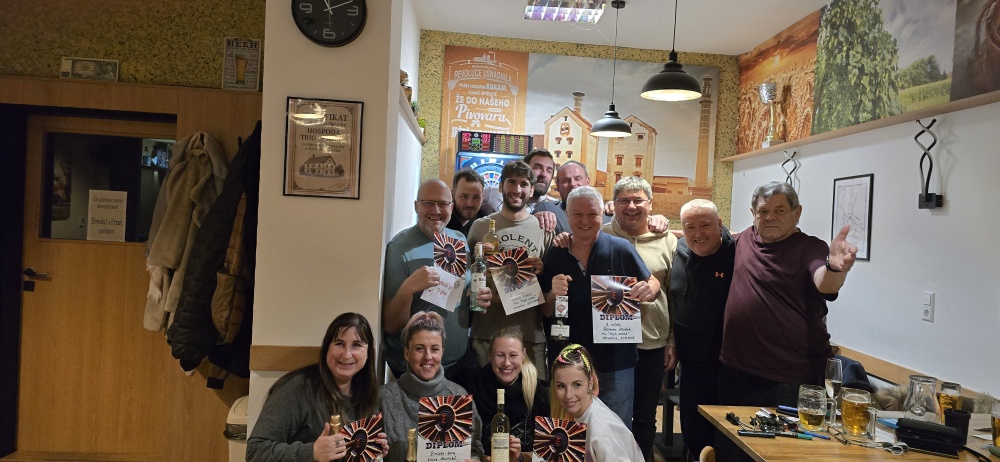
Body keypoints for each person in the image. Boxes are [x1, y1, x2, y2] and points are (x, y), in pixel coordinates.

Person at [719, 181, 857, 407]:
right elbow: (704, 235)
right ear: (753, 214)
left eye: (780, 210)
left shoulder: (810, 248)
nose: (770, 217)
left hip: (789, 377)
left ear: (797, 212)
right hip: (736, 370)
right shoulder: (743, 239)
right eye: (763, 211)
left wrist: (834, 268)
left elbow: (825, 284)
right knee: (727, 431)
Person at [539, 186, 658, 427]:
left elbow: (652, 281)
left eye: (592, 214)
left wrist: (649, 290)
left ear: (602, 214)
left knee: (615, 430)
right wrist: (552, 293)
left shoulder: (621, 248)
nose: (585, 221)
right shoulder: (555, 254)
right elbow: (545, 311)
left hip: (616, 362)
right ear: (567, 215)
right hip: (569, 363)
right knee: (570, 434)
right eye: (577, 214)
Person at [381, 179, 492, 387]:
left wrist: (480, 296)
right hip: (418, 368)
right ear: (416, 206)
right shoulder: (399, 248)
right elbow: (391, 324)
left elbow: (463, 295)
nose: (436, 210)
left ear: (451, 207)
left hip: (459, 361)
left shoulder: (459, 240)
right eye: (428, 203)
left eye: (442, 204)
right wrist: (409, 287)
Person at [602, 176, 677, 462]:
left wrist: (672, 340)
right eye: (624, 200)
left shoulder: (667, 240)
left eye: (638, 200)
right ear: (614, 204)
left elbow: (674, 294)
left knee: (645, 417)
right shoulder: (601, 234)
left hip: (651, 343)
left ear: (650, 204)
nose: (631, 206)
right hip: (610, 342)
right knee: (610, 415)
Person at [246, 312, 389, 462]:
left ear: (368, 353)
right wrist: (312, 452)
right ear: (327, 348)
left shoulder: (369, 393)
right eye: (339, 344)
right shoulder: (298, 388)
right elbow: (255, 452)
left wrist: (371, 451)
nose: (347, 354)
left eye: (356, 345)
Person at [468, 161, 553, 375]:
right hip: (486, 333)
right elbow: (463, 277)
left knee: (534, 394)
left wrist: (542, 269)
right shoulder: (480, 226)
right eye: (511, 182)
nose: (517, 189)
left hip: (529, 335)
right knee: (483, 393)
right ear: (500, 186)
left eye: (524, 184)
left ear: (531, 190)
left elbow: (551, 280)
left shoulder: (543, 228)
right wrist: (477, 260)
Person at [379, 311, 497, 462]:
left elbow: (474, 449)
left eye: (434, 349)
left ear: (442, 352)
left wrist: (474, 459)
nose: (428, 356)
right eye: (419, 348)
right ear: (407, 353)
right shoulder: (385, 397)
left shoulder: (458, 396)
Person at [670, 199, 735, 460]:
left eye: (706, 225)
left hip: (727, 367)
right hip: (689, 365)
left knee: (725, 436)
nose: (698, 233)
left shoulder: (737, 252)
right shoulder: (680, 247)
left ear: (719, 224)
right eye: (690, 227)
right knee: (693, 433)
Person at [550, 344, 643, 462]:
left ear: (590, 383)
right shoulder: (582, 411)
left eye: (577, 385)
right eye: (561, 386)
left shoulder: (601, 429)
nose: (568, 395)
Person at [469, 328, 550, 457]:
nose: (507, 363)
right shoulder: (473, 389)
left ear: (523, 355)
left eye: (513, 355)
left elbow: (547, 453)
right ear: (490, 355)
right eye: (500, 355)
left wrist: (520, 457)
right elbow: (468, 447)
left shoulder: (541, 393)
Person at [480, 148, 557, 217]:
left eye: (549, 171)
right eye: (537, 168)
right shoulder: (491, 194)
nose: (544, 174)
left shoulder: (554, 207)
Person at [448, 168, 486, 237]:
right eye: (464, 196)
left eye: (476, 197)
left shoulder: (485, 225)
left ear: (482, 198)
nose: (470, 204)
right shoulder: (442, 222)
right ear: (453, 195)